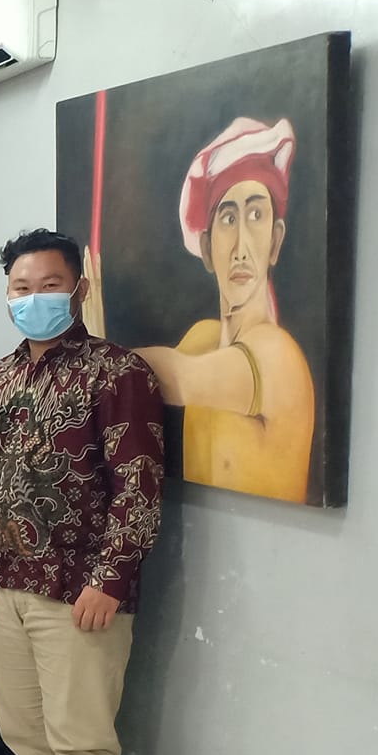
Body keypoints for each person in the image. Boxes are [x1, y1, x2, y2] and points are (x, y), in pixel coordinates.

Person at [0, 229, 164, 755]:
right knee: (27, 737)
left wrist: (112, 578)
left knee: (80, 740)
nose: (34, 298)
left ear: (78, 288)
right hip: (3, 593)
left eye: (49, 285)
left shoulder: (118, 373)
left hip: (81, 594)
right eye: (21, 288)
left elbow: (138, 485)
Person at [123, 117, 313, 502]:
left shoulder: (277, 354)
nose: (241, 246)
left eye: (256, 216)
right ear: (208, 248)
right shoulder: (205, 337)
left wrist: (92, 350)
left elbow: (177, 378)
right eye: (228, 218)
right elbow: (140, 384)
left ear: (275, 241)